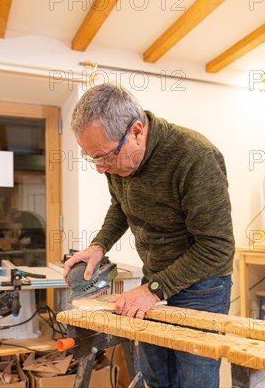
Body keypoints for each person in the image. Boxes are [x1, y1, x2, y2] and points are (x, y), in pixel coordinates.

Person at [63, 84, 235, 388]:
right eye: (93, 159)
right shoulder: (118, 164)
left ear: (137, 131)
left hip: (203, 287)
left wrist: (153, 290)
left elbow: (216, 246)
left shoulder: (194, 156)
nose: (102, 168)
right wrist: (99, 245)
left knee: (194, 381)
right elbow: (120, 206)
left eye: (104, 156)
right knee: (156, 378)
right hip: (155, 280)